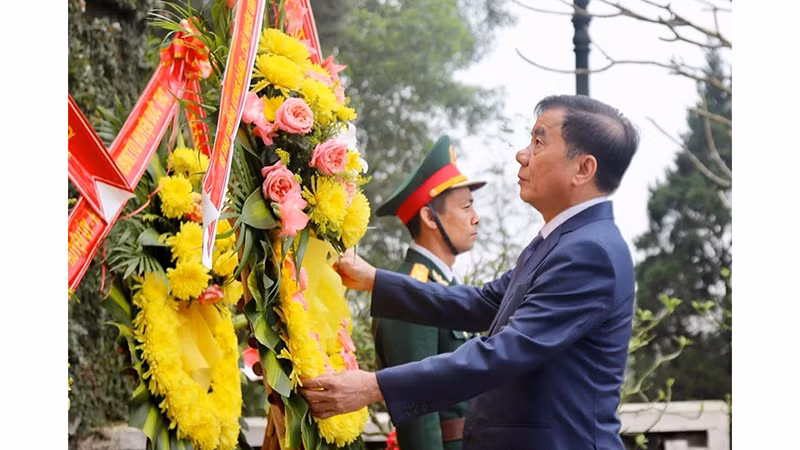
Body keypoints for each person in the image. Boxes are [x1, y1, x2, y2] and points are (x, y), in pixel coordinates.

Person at [300, 95, 640, 450]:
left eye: (539, 142)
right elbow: (484, 303)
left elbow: (505, 352)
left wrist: (374, 387)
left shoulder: (589, 252)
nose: (522, 155)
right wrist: (374, 281)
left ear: (583, 169)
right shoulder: (562, 241)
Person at [372, 135, 485, 450]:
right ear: (429, 217)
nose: (476, 217)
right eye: (466, 206)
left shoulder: (446, 286)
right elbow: (418, 409)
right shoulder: (408, 292)